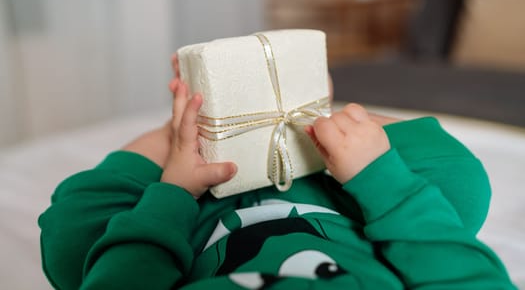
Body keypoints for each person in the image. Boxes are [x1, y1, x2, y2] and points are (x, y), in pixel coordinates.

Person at [39, 55, 517, 290]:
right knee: (461, 185)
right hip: (352, 205)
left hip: (190, 221)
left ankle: (182, 129)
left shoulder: (176, 202)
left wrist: (173, 191)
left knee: (70, 245)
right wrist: (377, 176)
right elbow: (471, 276)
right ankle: (314, 112)